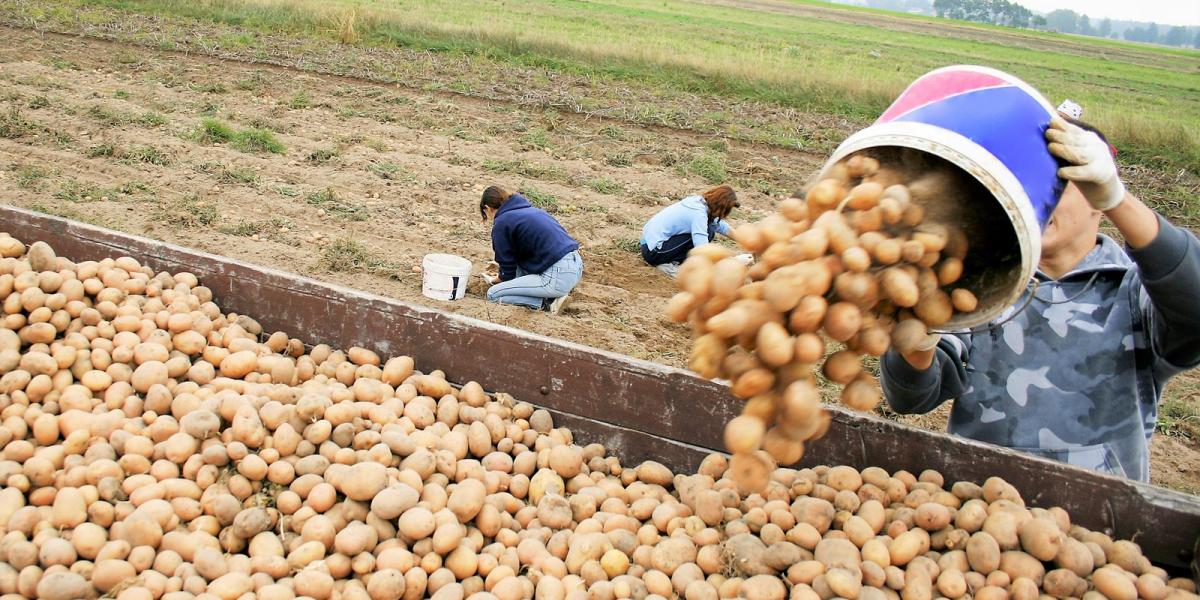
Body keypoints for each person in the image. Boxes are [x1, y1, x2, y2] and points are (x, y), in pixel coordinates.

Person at [880, 116, 1200, 483]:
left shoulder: (1130, 291)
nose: (1039, 197)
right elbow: (912, 397)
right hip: (979, 509)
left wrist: (1119, 198)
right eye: (1025, 182)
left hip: (1100, 519)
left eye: (1060, 183)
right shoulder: (985, 288)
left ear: (1097, 199)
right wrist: (918, 337)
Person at [480, 186, 583, 313]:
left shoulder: (502, 222)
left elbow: (508, 269)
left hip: (556, 276)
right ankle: (554, 292)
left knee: (494, 294)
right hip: (575, 267)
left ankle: (548, 302)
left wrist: (498, 279)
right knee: (518, 272)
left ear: (487, 208)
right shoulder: (533, 211)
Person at [640, 184, 739, 277]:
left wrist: (746, 241)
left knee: (710, 227)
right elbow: (703, 248)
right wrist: (733, 260)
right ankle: (666, 264)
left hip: (648, 243)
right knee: (708, 232)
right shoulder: (698, 214)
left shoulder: (698, 202)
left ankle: (673, 261)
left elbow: (721, 226)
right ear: (720, 206)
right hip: (653, 252)